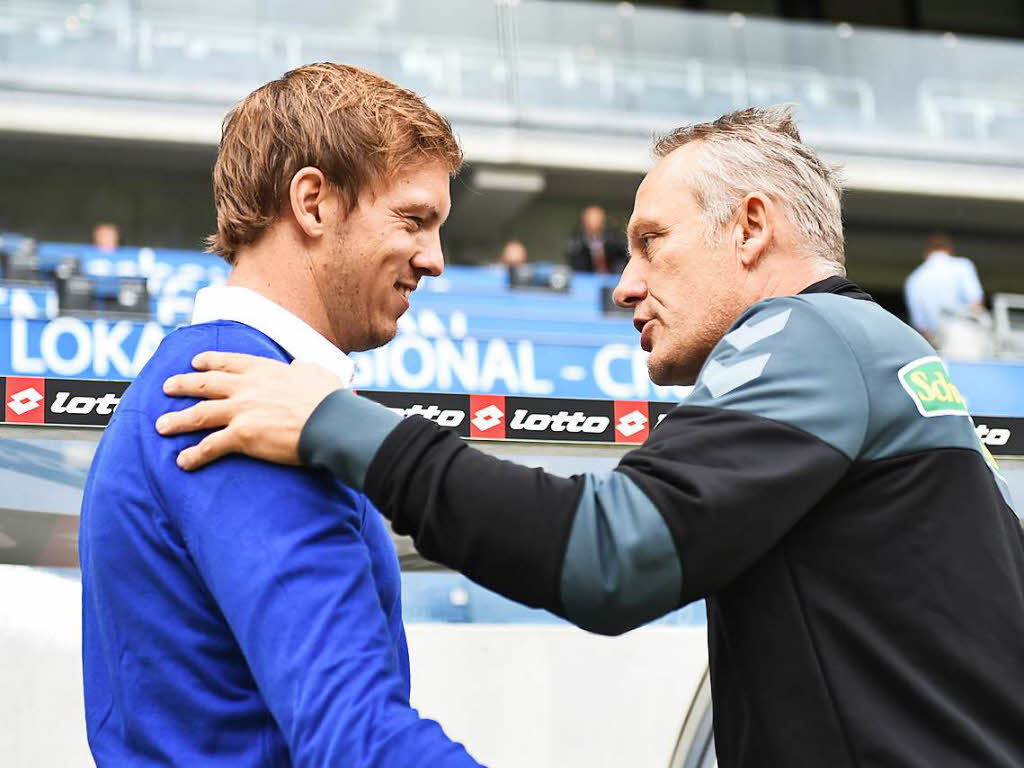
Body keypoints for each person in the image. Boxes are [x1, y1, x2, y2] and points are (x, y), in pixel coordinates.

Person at [157, 106, 1024, 768]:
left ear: (752, 228)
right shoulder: (884, 361)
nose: (624, 286)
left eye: (651, 244)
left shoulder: (812, 335)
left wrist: (332, 422)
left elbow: (608, 552)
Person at [80, 63, 483, 767]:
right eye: (414, 220)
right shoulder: (238, 399)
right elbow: (355, 736)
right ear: (314, 203)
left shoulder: (211, 377)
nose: (435, 259)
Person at [904, 233, 985, 343]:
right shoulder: (962, 267)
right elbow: (976, 303)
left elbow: (920, 325)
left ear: (926, 253)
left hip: (935, 341)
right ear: (950, 250)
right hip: (964, 336)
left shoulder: (914, 279)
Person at [564, 204, 627, 273]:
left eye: (598, 219)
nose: (595, 222)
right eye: (592, 219)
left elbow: (622, 258)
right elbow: (576, 265)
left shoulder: (614, 239)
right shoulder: (576, 244)